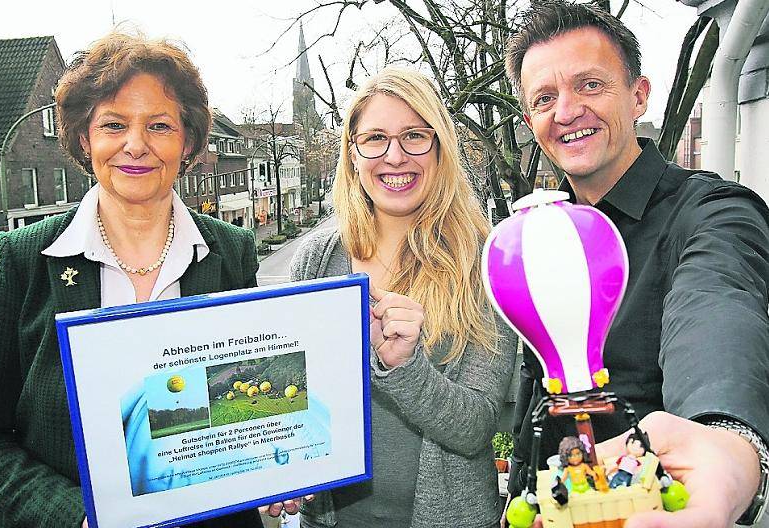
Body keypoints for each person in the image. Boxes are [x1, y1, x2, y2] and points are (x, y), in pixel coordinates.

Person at [0, 33, 262, 528]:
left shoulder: (230, 252)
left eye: (159, 125)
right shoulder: (26, 261)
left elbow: (244, 400)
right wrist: (78, 518)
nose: (135, 145)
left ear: (187, 142)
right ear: (86, 140)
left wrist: (278, 467)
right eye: (113, 124)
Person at [503, 2, 769, 527]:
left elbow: (715, 306)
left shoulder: (710, 213)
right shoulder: (539, 238)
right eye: (544, 99)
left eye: (590, 85)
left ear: (638, 95)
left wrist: (723, 437)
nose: (566, 112)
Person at [287, 66, 518, 528]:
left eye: (414, 136)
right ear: (352, 154)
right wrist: (280, 472)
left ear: (439, 148)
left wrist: (404, 367)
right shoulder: (316, 258)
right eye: (375, 138)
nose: (395, 156)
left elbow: (476, 427)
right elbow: (295, 400)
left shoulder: (485, 261)